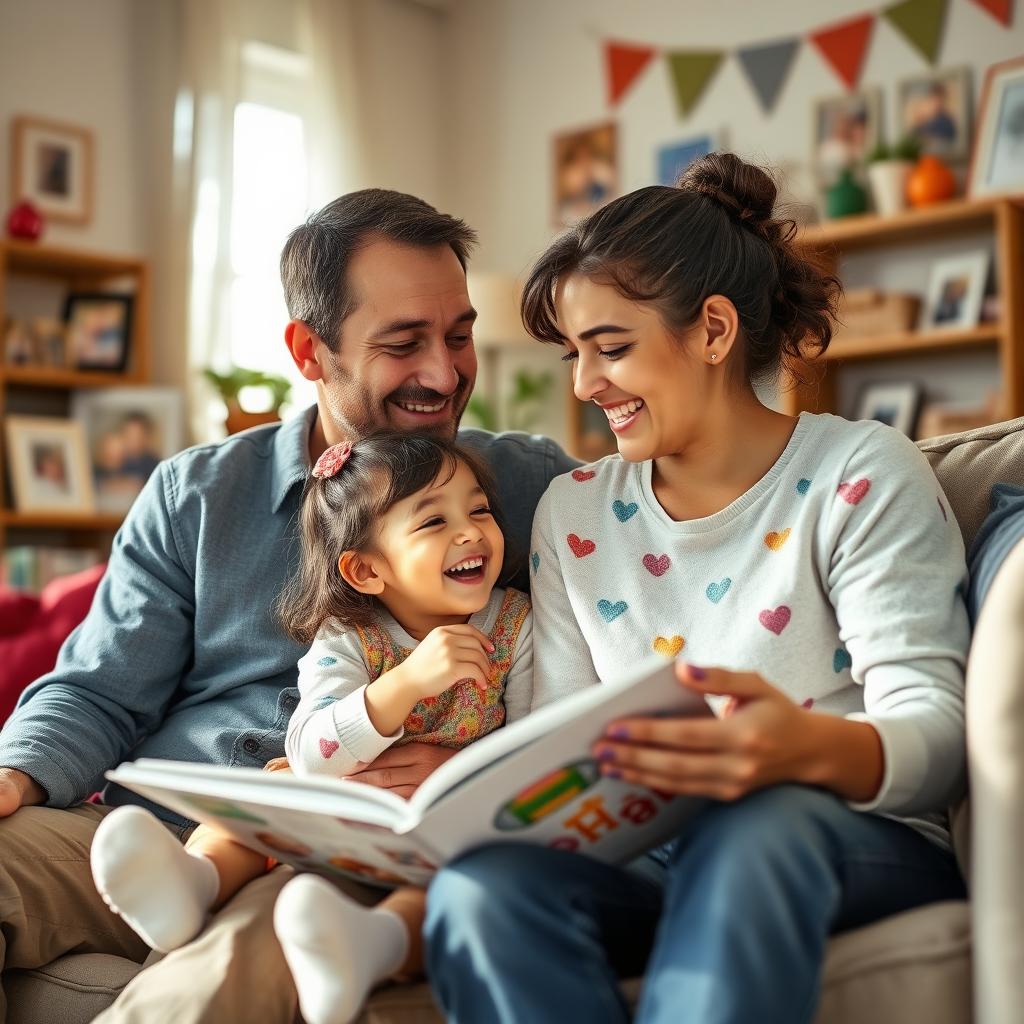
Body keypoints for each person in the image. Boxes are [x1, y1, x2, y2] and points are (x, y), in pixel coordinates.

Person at [0, 189, 576, 1024]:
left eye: (458, 336)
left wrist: (466, 775)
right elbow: (95, 689)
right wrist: (15, 771)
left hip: (337, 851)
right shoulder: (199, 492)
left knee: (267, 938)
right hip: (165, 830)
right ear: (310, 351)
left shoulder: (527, 489)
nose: (446, 375)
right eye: (403, 343)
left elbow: (585, 690)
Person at [424, 153, 970, 1024]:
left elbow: (939, 735)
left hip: (837, 839)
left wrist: (798, 748)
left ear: (713, 331)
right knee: (482, 890)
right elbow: (554, 738)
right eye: (574, 354)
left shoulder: (859, 473)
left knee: (753, 827)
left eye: (610, 349)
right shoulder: (576, 511)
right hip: (649, 850)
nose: (584, 385)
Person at [91, 431, 532, 1024]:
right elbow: (311, 752)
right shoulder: (350, 639)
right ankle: (196, 884)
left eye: (479, 509)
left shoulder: (516, 626)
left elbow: (536, 743)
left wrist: (458, 773)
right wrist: (401, 686)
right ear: (367, 570)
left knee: (467, 886)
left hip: (450, 829)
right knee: (263, 797)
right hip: (342, 817)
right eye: (432, 523)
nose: (470, 531)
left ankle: (369, 944)